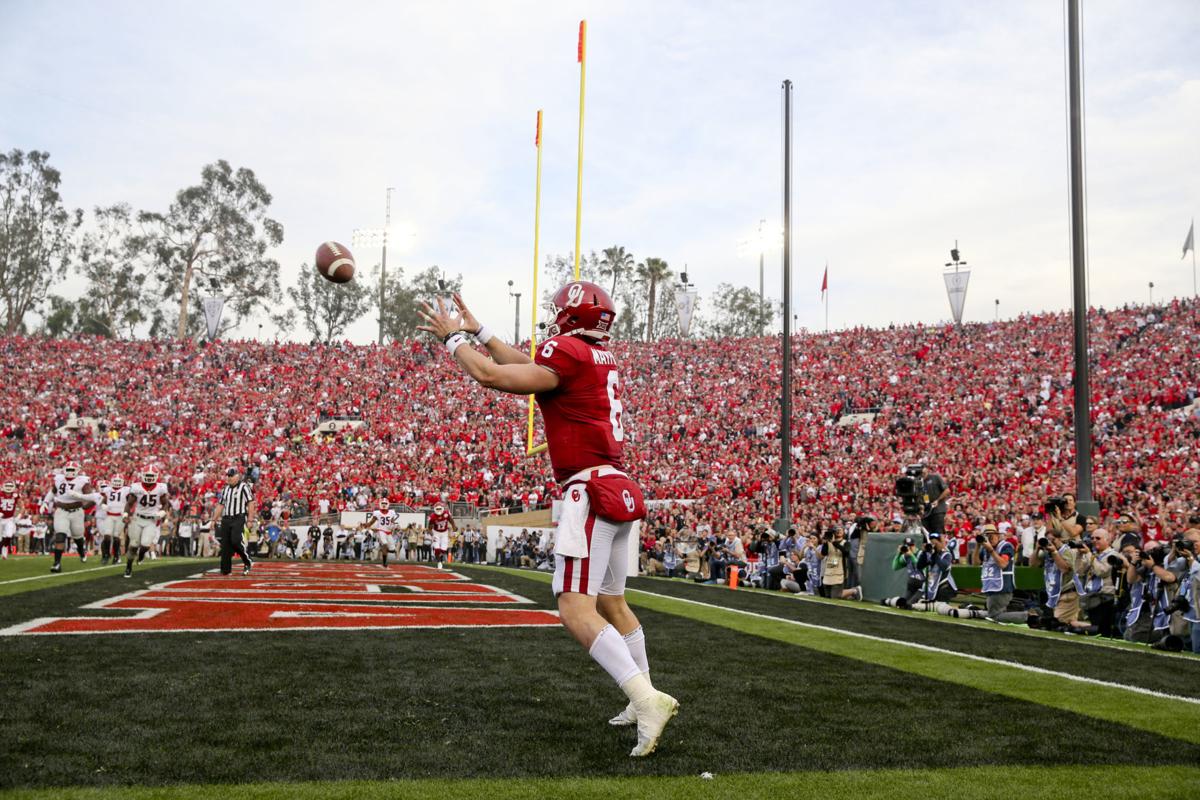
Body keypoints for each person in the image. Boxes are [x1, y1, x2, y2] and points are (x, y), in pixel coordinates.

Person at [417, 285, 678, 757]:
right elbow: (530, 365)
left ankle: (645, 698)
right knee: (614, 604)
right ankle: (643, 699)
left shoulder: (569, 351)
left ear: (571, 315)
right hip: (617, 484)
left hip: (588, 492)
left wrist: (454, 340)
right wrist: (481, 330)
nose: (553, 318)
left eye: (558, 311)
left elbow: (494, 376)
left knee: (576, 609)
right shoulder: (596, 355)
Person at [48, 461, 98, 573]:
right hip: (61, 511)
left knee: (77, 536)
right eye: (68, 469)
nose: (70, 472)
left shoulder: (82, 481)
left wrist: (84, 504)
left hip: (76, 512)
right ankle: (57, 563)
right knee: (60, 535)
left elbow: (91, 497)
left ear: (77, 471)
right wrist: (45, 502)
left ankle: (81, 552)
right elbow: (53, 492)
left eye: (72, 470)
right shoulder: (59, 478)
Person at [122, 467, 172, 579]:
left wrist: (162, 512)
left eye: (151, 476)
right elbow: (129, 503)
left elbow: (165, 503)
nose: (149, 478)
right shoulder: (136, 487)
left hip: (151, 520)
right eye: (147, 476)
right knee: (134, 545)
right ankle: (128, 567)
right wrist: (125, 515)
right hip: (137, 518)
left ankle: (141, 556)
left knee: (145, 545)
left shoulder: (160, 488)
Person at [212, 467, 255, 576]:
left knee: (236, 540)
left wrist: (250, 519)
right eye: (228, 475)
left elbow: (250, 503)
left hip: (238, 517)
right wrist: (214, 519)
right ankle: (226, 570)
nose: (229, 478)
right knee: (225, 545)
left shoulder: (244, 487)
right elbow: (220, 505)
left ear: (237, 476)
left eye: (231, 475)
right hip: (226, 518)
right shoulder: (225, 489)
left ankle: (247, 560)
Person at [97, 476, 128, 565]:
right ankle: (106, 555)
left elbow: (130, 502)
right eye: (116, 481)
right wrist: (103, 505)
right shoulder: (108, 490)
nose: (117, 483)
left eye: (119, 481)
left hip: (119, 516)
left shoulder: (126, 490)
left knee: (116, 537)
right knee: (107, 536)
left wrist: (126, 512)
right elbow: (104, 501)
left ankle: (116, 556)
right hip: (109, 516)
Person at [0, 481, 18, 559]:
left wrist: (19, 515)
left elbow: (22, 505)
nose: (8, 488)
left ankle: (5, 548)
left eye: (10, 486)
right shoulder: (0, 494)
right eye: (7, 486)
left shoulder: (15, 495)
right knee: (0, 537)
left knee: (9, 535)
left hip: (9, 519)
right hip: (0, 519)